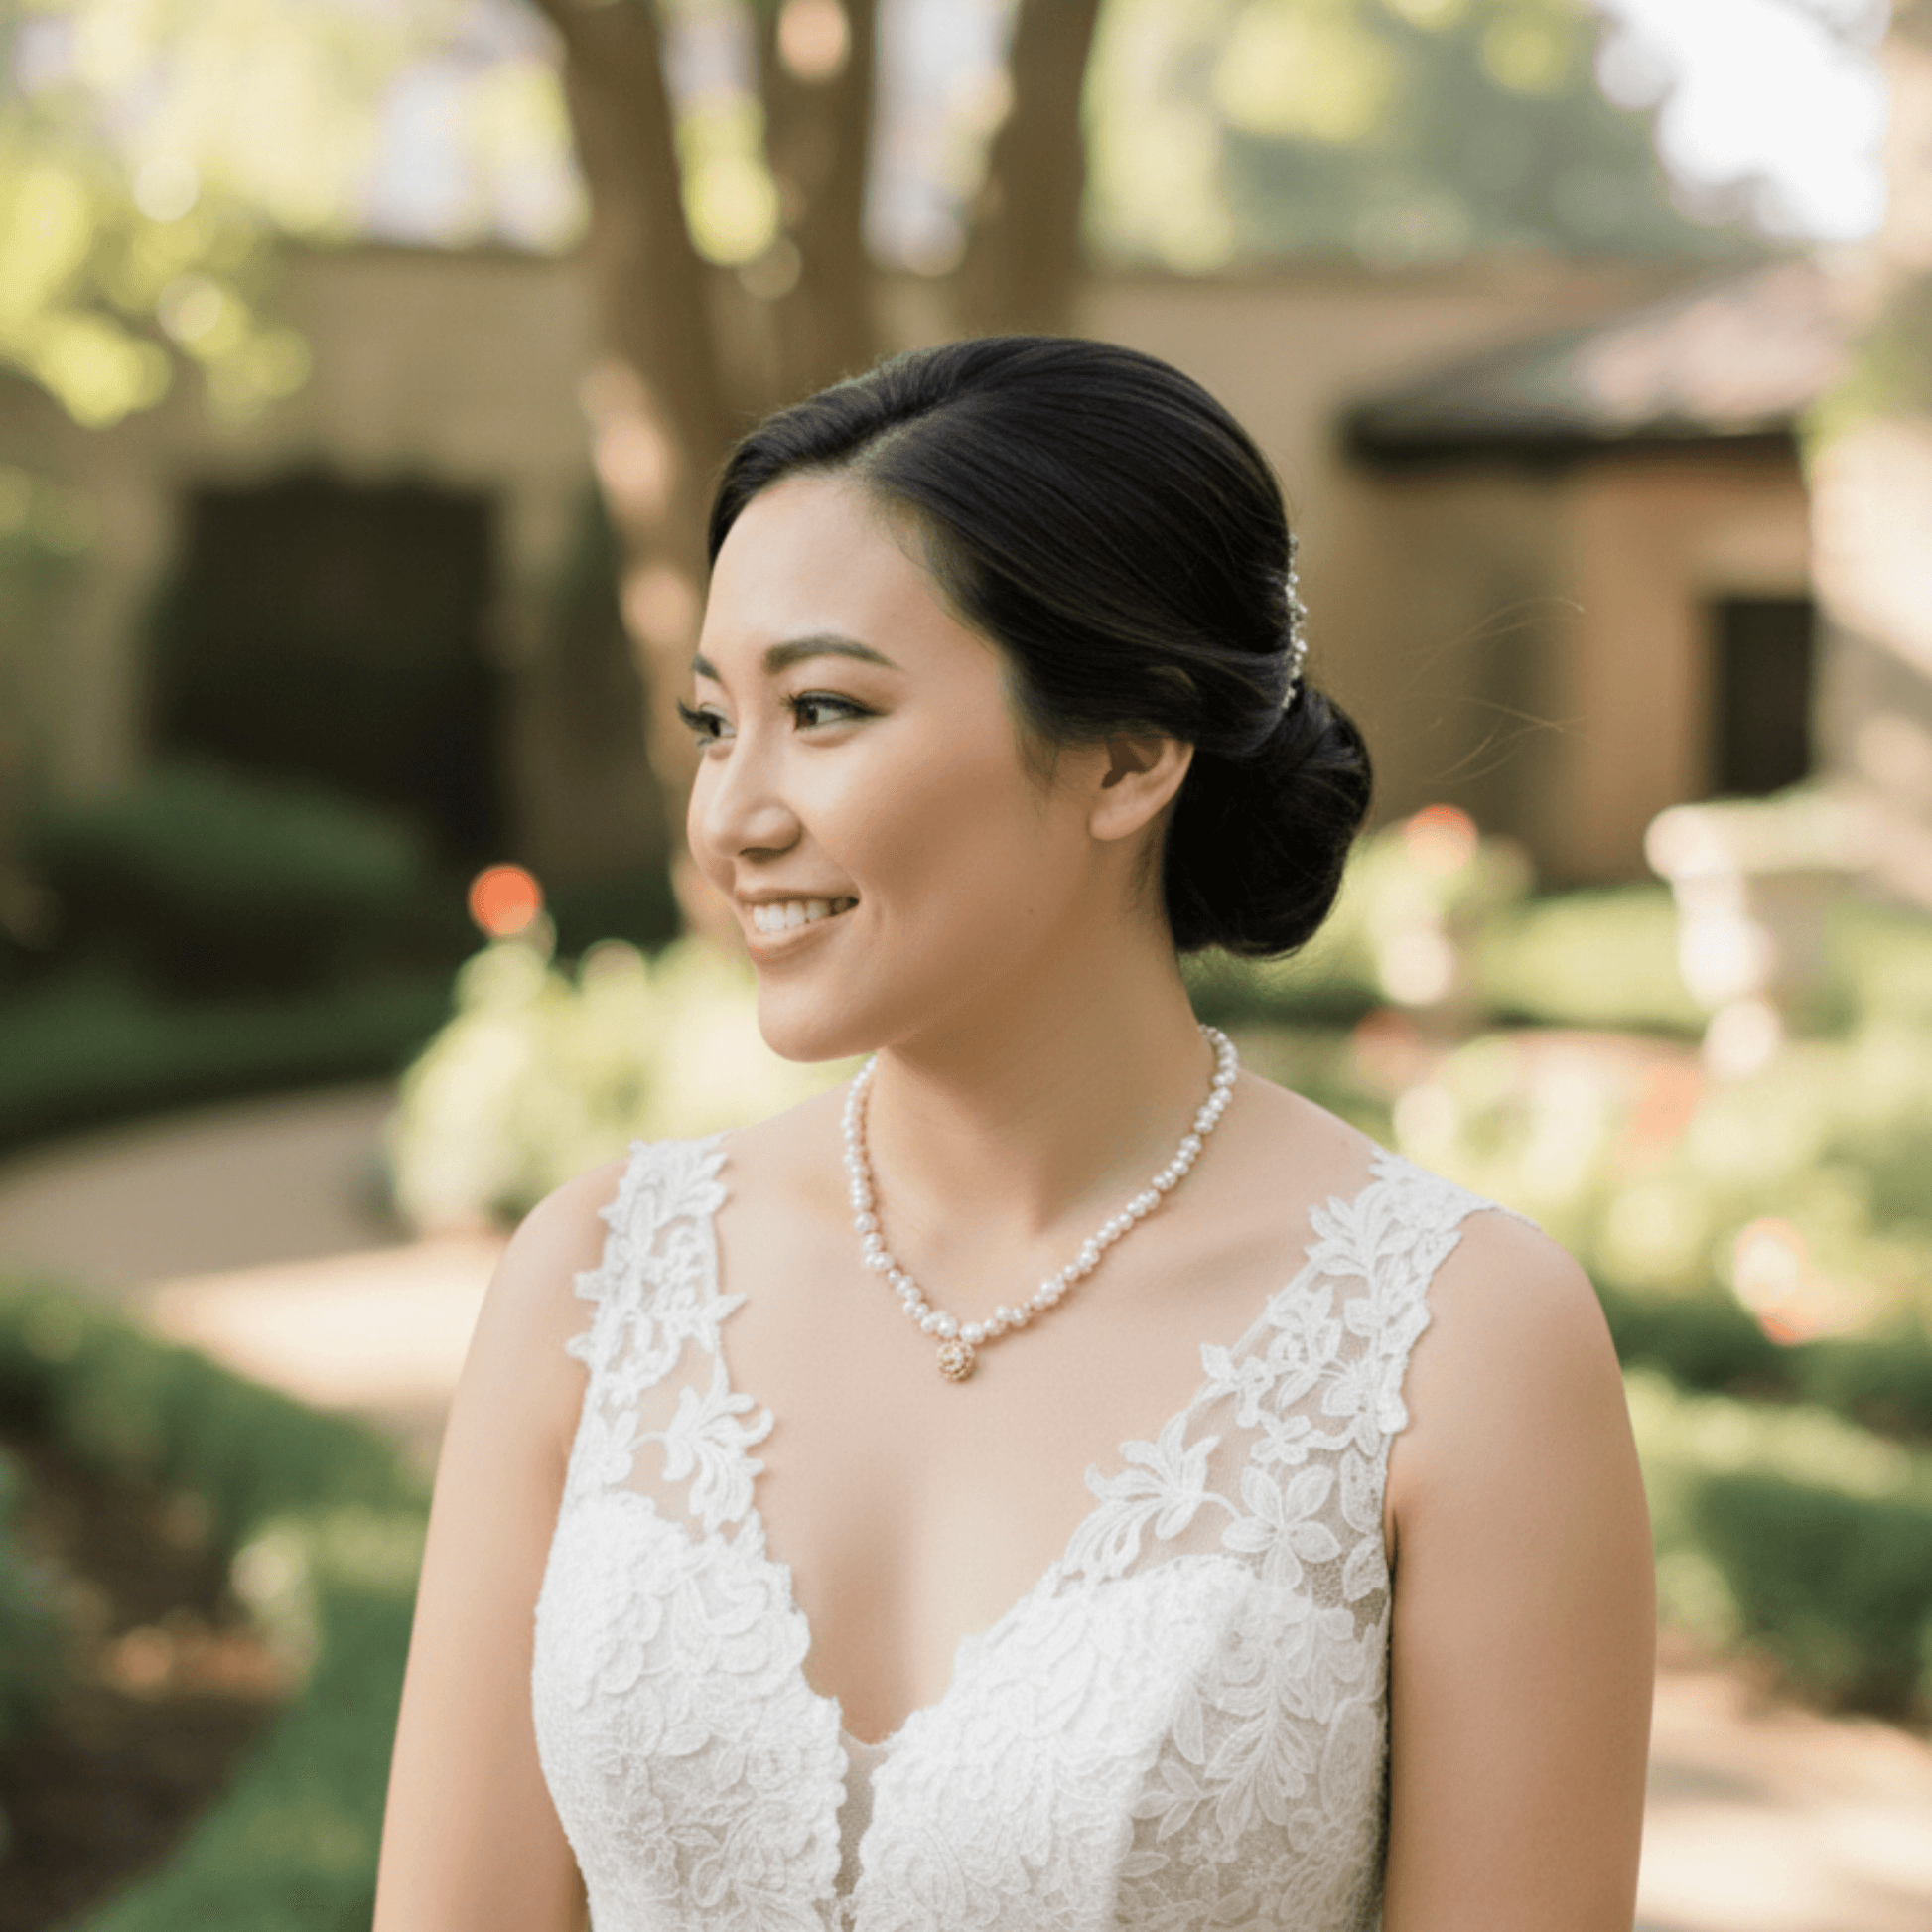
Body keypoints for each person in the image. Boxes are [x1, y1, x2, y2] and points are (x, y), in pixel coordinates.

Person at [373, 337, 1654, 1932]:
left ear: (1129, 749)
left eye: (824, 709)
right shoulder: (592, 1282)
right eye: (716, 721)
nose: (730, 814)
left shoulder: (1459, 1344)